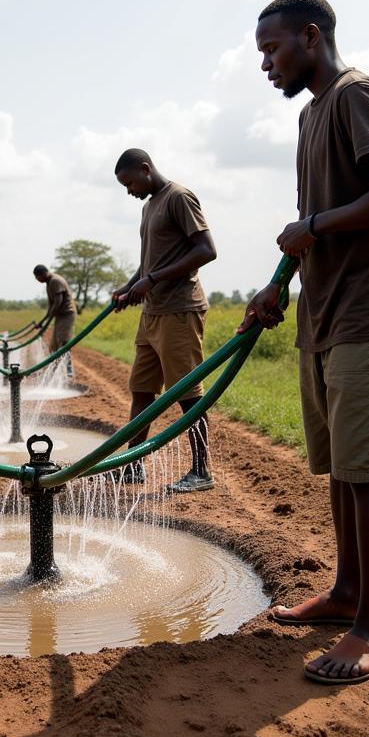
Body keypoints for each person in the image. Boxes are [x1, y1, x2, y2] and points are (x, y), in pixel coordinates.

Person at [240, 0, 369, 686]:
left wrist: (314, 229)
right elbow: (312, 218)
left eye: (272, 50)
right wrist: (278, 284)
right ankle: (347, 593)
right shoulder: (312, 116)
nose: (266, 65)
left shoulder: (356, 94)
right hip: (325, 315)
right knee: (343, 467)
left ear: (310, 37)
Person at [112, 149, 217, 492]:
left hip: (180, 309)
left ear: (145, 169)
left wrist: (152, 281)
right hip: (152, 313)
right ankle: (131, 465)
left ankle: (201, 471)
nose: (129, 191)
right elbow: (149, 262)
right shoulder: (148, 206)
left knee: (186, 392)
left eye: (129, 182)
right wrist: (129, 289)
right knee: (142, 390)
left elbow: (205, 250)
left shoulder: (178, 198)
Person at [32, 264, 77, 377]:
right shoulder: (49, 283)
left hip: (67, 314)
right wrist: (42, 322)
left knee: (63, 341)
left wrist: (49, 319)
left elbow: (58, 302)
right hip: (60, 316)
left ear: (42, 274)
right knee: (54, 345)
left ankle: (68, 369)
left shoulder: (55, 281)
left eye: (37, 277)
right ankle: (53, 370)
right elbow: (51, 307)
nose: (37, 280)